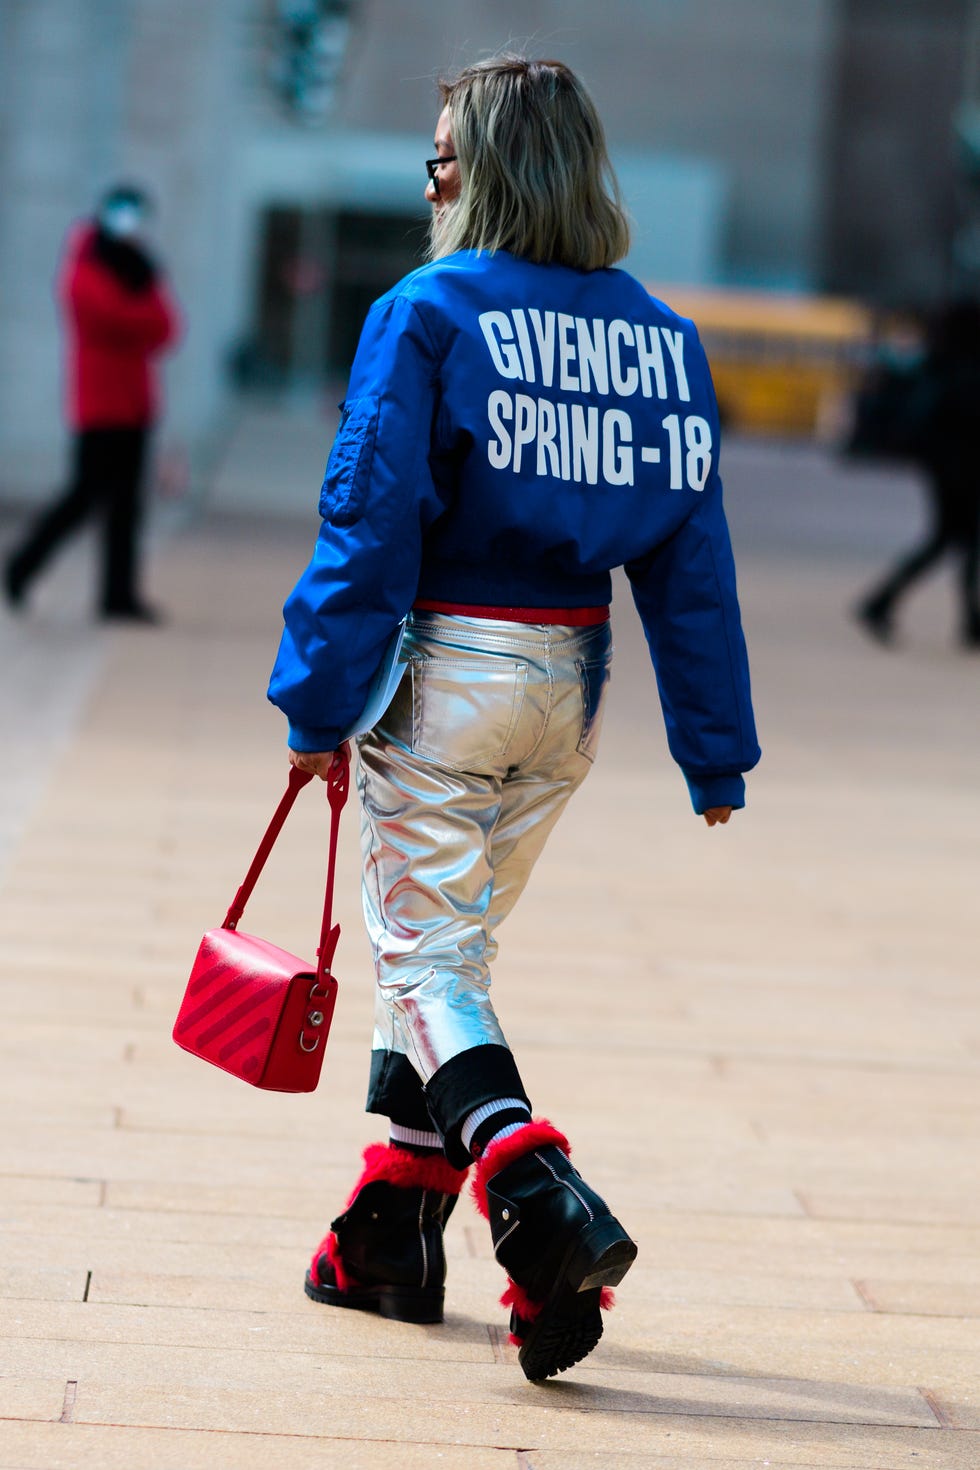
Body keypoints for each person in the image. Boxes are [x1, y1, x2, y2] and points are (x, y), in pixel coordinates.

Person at [267, 55, 760, 1381]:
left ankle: (540, 1206)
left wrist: (317, 698)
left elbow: (366, 523)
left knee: (427, 960)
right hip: (569, 687)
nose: (431, 179)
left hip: (446, 669)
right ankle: (387, 1235)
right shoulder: (660, 334)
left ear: (488, 171)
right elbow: (691, 558)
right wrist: (715, 745)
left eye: (444, 157)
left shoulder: (429, 310)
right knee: (445, 956)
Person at [3, 184, 181, 622]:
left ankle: (117, 596)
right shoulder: (85, 265)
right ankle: (19, 568)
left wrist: (138, 308)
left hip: (136, 404)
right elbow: (107, 316)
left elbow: (165, 327)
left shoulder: (140, 269)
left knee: (126, 506)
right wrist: (138, 310)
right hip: (99, 405)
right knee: (83, 497)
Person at [854, 300, 980, 649]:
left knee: (950, 541)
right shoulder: (966, 371)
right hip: (963, 471)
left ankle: (886, 603)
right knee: (957, 542)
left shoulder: (939, 363)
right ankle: (882, 603)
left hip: (944, 468)